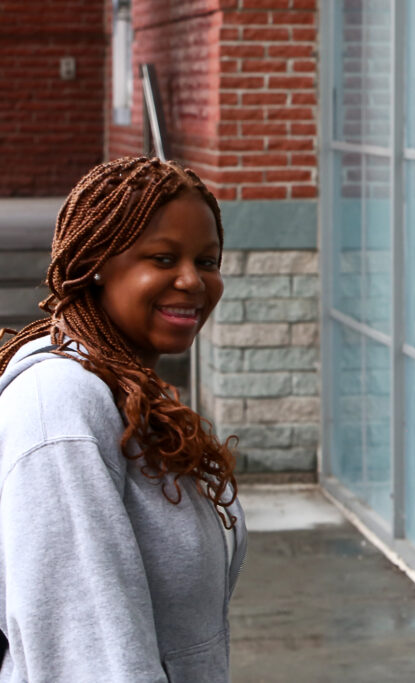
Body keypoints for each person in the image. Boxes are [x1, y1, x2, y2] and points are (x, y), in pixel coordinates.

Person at [0, 156, 246, 682]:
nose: (193, 282)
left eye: (207, 260)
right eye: (162, 259)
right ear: (94, 264)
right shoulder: (60, 408)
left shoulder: (128, 388)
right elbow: (82, 654)